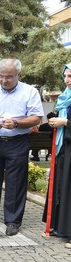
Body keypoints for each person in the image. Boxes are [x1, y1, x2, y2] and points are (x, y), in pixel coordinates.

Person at [0, 59, 44, 236]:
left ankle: (13, 220)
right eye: (0, 76)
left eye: (8, 77)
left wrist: (17, 123)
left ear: (19, 75)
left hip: (17, 142)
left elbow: (36, 118)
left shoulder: (29, 92)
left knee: (15, 183)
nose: (4, 81)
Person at [43, 63, 71, 249]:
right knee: (61, 185)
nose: (67, 80)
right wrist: (53, 120)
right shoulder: (64, 97)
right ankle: (58, 226)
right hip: (63, 147)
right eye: (66, 76)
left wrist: (66, 121)